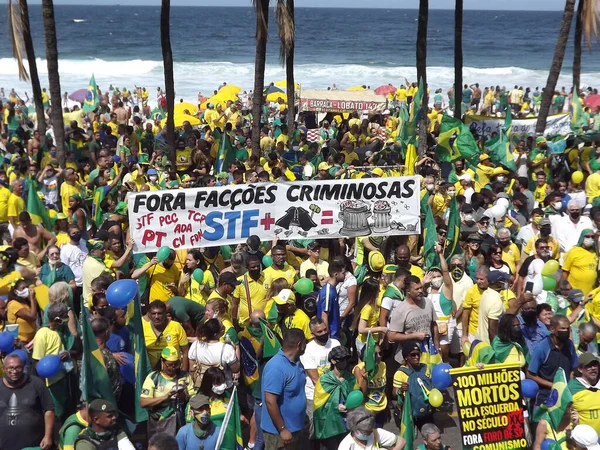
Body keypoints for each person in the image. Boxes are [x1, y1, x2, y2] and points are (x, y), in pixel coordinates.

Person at [261, 328, 307, 450]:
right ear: (299, 344)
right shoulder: (276, 367)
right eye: (305, 342)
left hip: (295, 428)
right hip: (279, 434)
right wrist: (282, 429)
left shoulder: (296, 361)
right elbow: (270, 401)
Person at [0, 353, 55, 450]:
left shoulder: (36, 383)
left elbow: (49, 410)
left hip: (33, 444)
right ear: (4, 369)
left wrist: (48, 436)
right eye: (10, 368)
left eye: (18, 368)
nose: (14, 371)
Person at [300, 317, 340, 445]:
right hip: (314, 396)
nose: (323, 334)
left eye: (325, 330)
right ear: (312, 334)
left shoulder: (335, 344)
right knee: (312, 431)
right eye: (319, 332)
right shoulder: (308, 350)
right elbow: (315, 379)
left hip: (334, 393)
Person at [140, 346, 196, 438]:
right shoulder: (153, 377)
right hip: (160, 421)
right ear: (162, 362)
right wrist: (165, 397)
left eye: (176, 364)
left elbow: (193, 397)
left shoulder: (184, 376)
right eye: (169, 365)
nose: (173, 368)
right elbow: (143, 402)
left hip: (180, 419)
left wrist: (184, 396)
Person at [528, 315, 578, 406]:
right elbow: (530, 374)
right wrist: (553, 385)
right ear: (552, 329)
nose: (566, 331)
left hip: (566, 395)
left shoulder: (569, 345)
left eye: (568, 328)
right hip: (545, 397)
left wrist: (568, 384)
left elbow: (574, 368)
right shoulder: (542, 348)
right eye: (562, 328)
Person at [313, 346, 356, 450]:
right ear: (333, 361)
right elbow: (318, 404)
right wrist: (335, 406)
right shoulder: (324, 380)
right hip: (329, 425)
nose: (344, 362)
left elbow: (356, 396)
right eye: (341, 359)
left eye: (346, 359)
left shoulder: (351, 378)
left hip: (347, 424)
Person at [388, 275, 440, 359]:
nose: (420, 291)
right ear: (408, 291)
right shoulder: (400, 310)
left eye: (421, 288)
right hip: (408, 357)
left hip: (428, 354)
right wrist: (414, 336)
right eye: (416, 289)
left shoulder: (428, 302)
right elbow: (392, 336)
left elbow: (434, 325)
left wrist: (437, 346)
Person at [188, 318, 239, 388]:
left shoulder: (195, 345)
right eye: (222, 326)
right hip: (222, 388)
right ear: (219, 332)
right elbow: (235, 369)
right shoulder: (227, 349)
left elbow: (192, 369)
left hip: (202, 386)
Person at [143, 300, 189, 371]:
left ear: (165, 314)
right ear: (149, 315)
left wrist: (184, 373)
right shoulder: (143, 328)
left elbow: (185, 351)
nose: (156, 316)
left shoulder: (176, 326)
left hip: (173, 371)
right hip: (151, 373)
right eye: (153, 313)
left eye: (160, 313)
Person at [338, 407, 405, 450]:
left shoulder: (376, 433)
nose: (369, 434)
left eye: (370, 430)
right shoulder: (346, 445)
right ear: (354, 428)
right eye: (366, 432)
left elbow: (402, 441)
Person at [231, 254, 267, 329]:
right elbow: (235, 303)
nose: (256, 268)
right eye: (253, 267)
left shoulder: (267, 278)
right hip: (246, 324)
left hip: (264, 323)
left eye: (258, 266)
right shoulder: (240, 281)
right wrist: (234, 322)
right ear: (247, 268)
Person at [568, 353, 600, 431]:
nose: (593, 368)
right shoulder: (571, 389)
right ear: (580, 369)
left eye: (595, 365)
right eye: (589, 366)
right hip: (583, 440)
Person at [562, 229, 599, 295]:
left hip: (590, 293)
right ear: (582, 238)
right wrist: (565, 289)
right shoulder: (573, 251)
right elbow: (565, 271)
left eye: (592, 237)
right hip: (575, 293)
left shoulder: (594, 253)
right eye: (587, 236)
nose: (590, 239)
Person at [476, 271, 506, 344]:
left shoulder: (486, 293)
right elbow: (492, 329)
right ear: (498, 283)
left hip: (479, 341)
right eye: (503, 281)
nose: (505, 283)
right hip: (488, 346)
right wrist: (495, 348)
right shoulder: (496, 301)